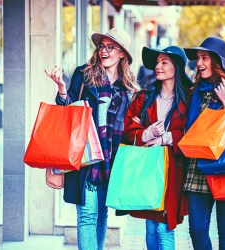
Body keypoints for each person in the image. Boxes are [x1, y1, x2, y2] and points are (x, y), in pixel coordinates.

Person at [44, 27, 139, 250]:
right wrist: (61, 90)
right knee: (87, 215)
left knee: (102, 214)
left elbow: (130, 124)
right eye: (101, 47)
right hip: (86, 157)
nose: (104, 51)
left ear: (122, 53)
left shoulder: (128, 86)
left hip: (113, 160)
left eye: (110, 47)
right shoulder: (84, 75)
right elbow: (66, 112)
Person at [120, 45, 192, 249]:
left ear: (176, 67)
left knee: (164, 227)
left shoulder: (188, 99)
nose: (158, 66)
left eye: (164, 62)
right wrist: (146, 133)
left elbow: (193, 133)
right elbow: (128, 129)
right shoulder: (144, 97)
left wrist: (167, 138)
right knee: (151, 226)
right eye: (157, 62)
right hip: (147, 168)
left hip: (173, 172)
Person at [183, 36, 225, 250]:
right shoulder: (195, 90)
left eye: (204, 57)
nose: (199, 63)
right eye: (198, 58)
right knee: (197, 229)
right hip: (198, 167)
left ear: (217, 61)